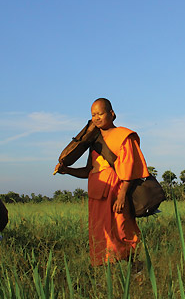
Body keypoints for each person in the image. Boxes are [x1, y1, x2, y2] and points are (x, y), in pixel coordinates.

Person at [55, 98, 148, 266]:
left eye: (100, 113)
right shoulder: (95, 142)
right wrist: (67, 171)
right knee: (100, 235)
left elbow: (129, 170)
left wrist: (121, 196)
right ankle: (107, 277)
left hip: (116, 194)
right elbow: (88, 171)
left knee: (122, 231)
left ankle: (136, 269)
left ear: (112, 114)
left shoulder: (123, 136)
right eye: (93, 115)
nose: (97, 118)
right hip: (97, 197)